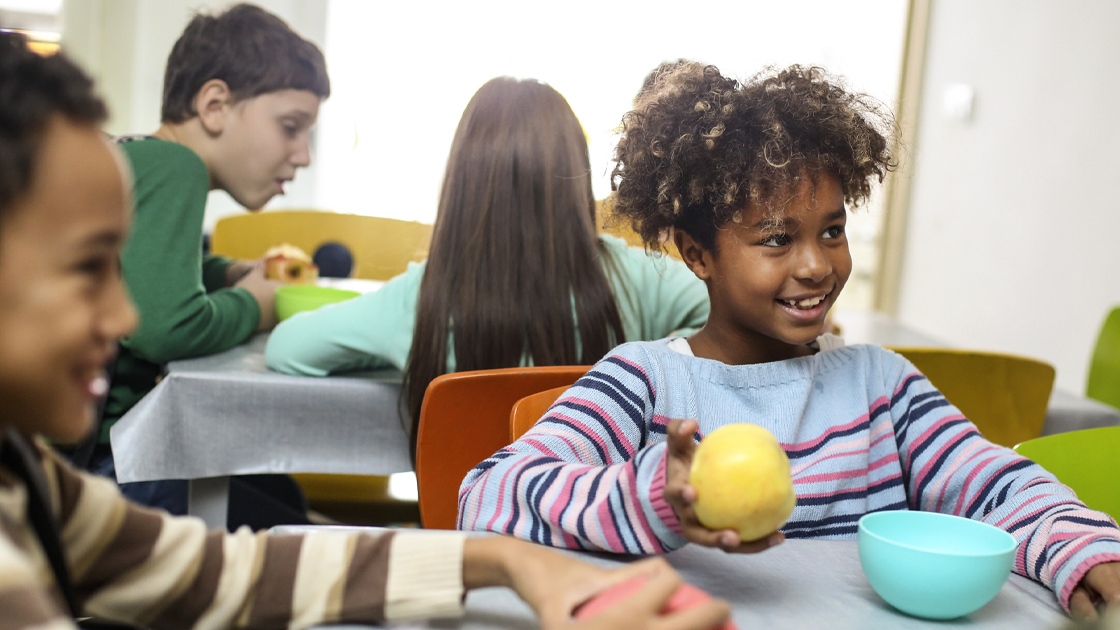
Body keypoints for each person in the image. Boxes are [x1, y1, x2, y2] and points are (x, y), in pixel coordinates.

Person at [0, 33, 731, 630]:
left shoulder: (38, 494)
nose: (127, 316)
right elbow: (718, 325)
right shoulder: (641, 278)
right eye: (87, 265)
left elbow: (222, 570)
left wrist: (506, 561)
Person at [457, 64, 1120, 621]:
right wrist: (657, 498)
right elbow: (486, 499)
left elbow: (997, 485)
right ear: (696, 253)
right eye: (776, 239)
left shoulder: (881, 388)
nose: (816, 265)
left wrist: (1087, 549)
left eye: (832, 230)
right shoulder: (643, 384)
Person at [265, 77, 710, 456]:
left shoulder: (420, 298)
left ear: (462, 180)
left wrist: (381, 349)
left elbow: (288, 348)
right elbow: (728, 322)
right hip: (602, 539)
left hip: (465, 540)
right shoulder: (639, 279)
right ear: (576, 174)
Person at [86, 3, 328, 526]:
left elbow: (141, 267)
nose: (303, 154)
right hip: (94, 471)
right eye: (291, 127)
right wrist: (257, 306)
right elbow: (165, 328)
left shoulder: (136, 156)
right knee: (281, 518)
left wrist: (226, 272)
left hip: (92, 460)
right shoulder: (178, 168)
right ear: (215, 105)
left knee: (275, 492)